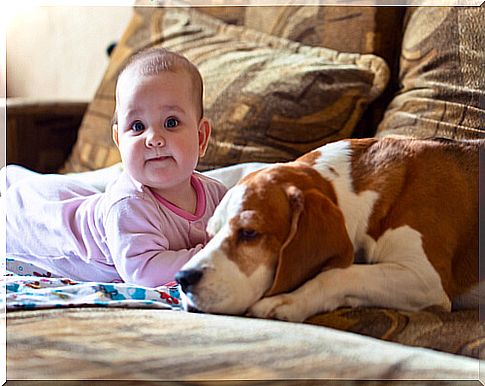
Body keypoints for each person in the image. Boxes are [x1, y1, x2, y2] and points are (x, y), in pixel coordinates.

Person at [5, 47, 227, 287]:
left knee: (60, 191)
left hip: (82, 202)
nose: (153, 138)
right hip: (37, 228)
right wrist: (214, 256)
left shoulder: (217, 196)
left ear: (202, 137)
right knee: (21, 200)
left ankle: (12, 177)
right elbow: (145, 272)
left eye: (171, 122)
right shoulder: (129, 204)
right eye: (138, 126)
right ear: (119, 141)